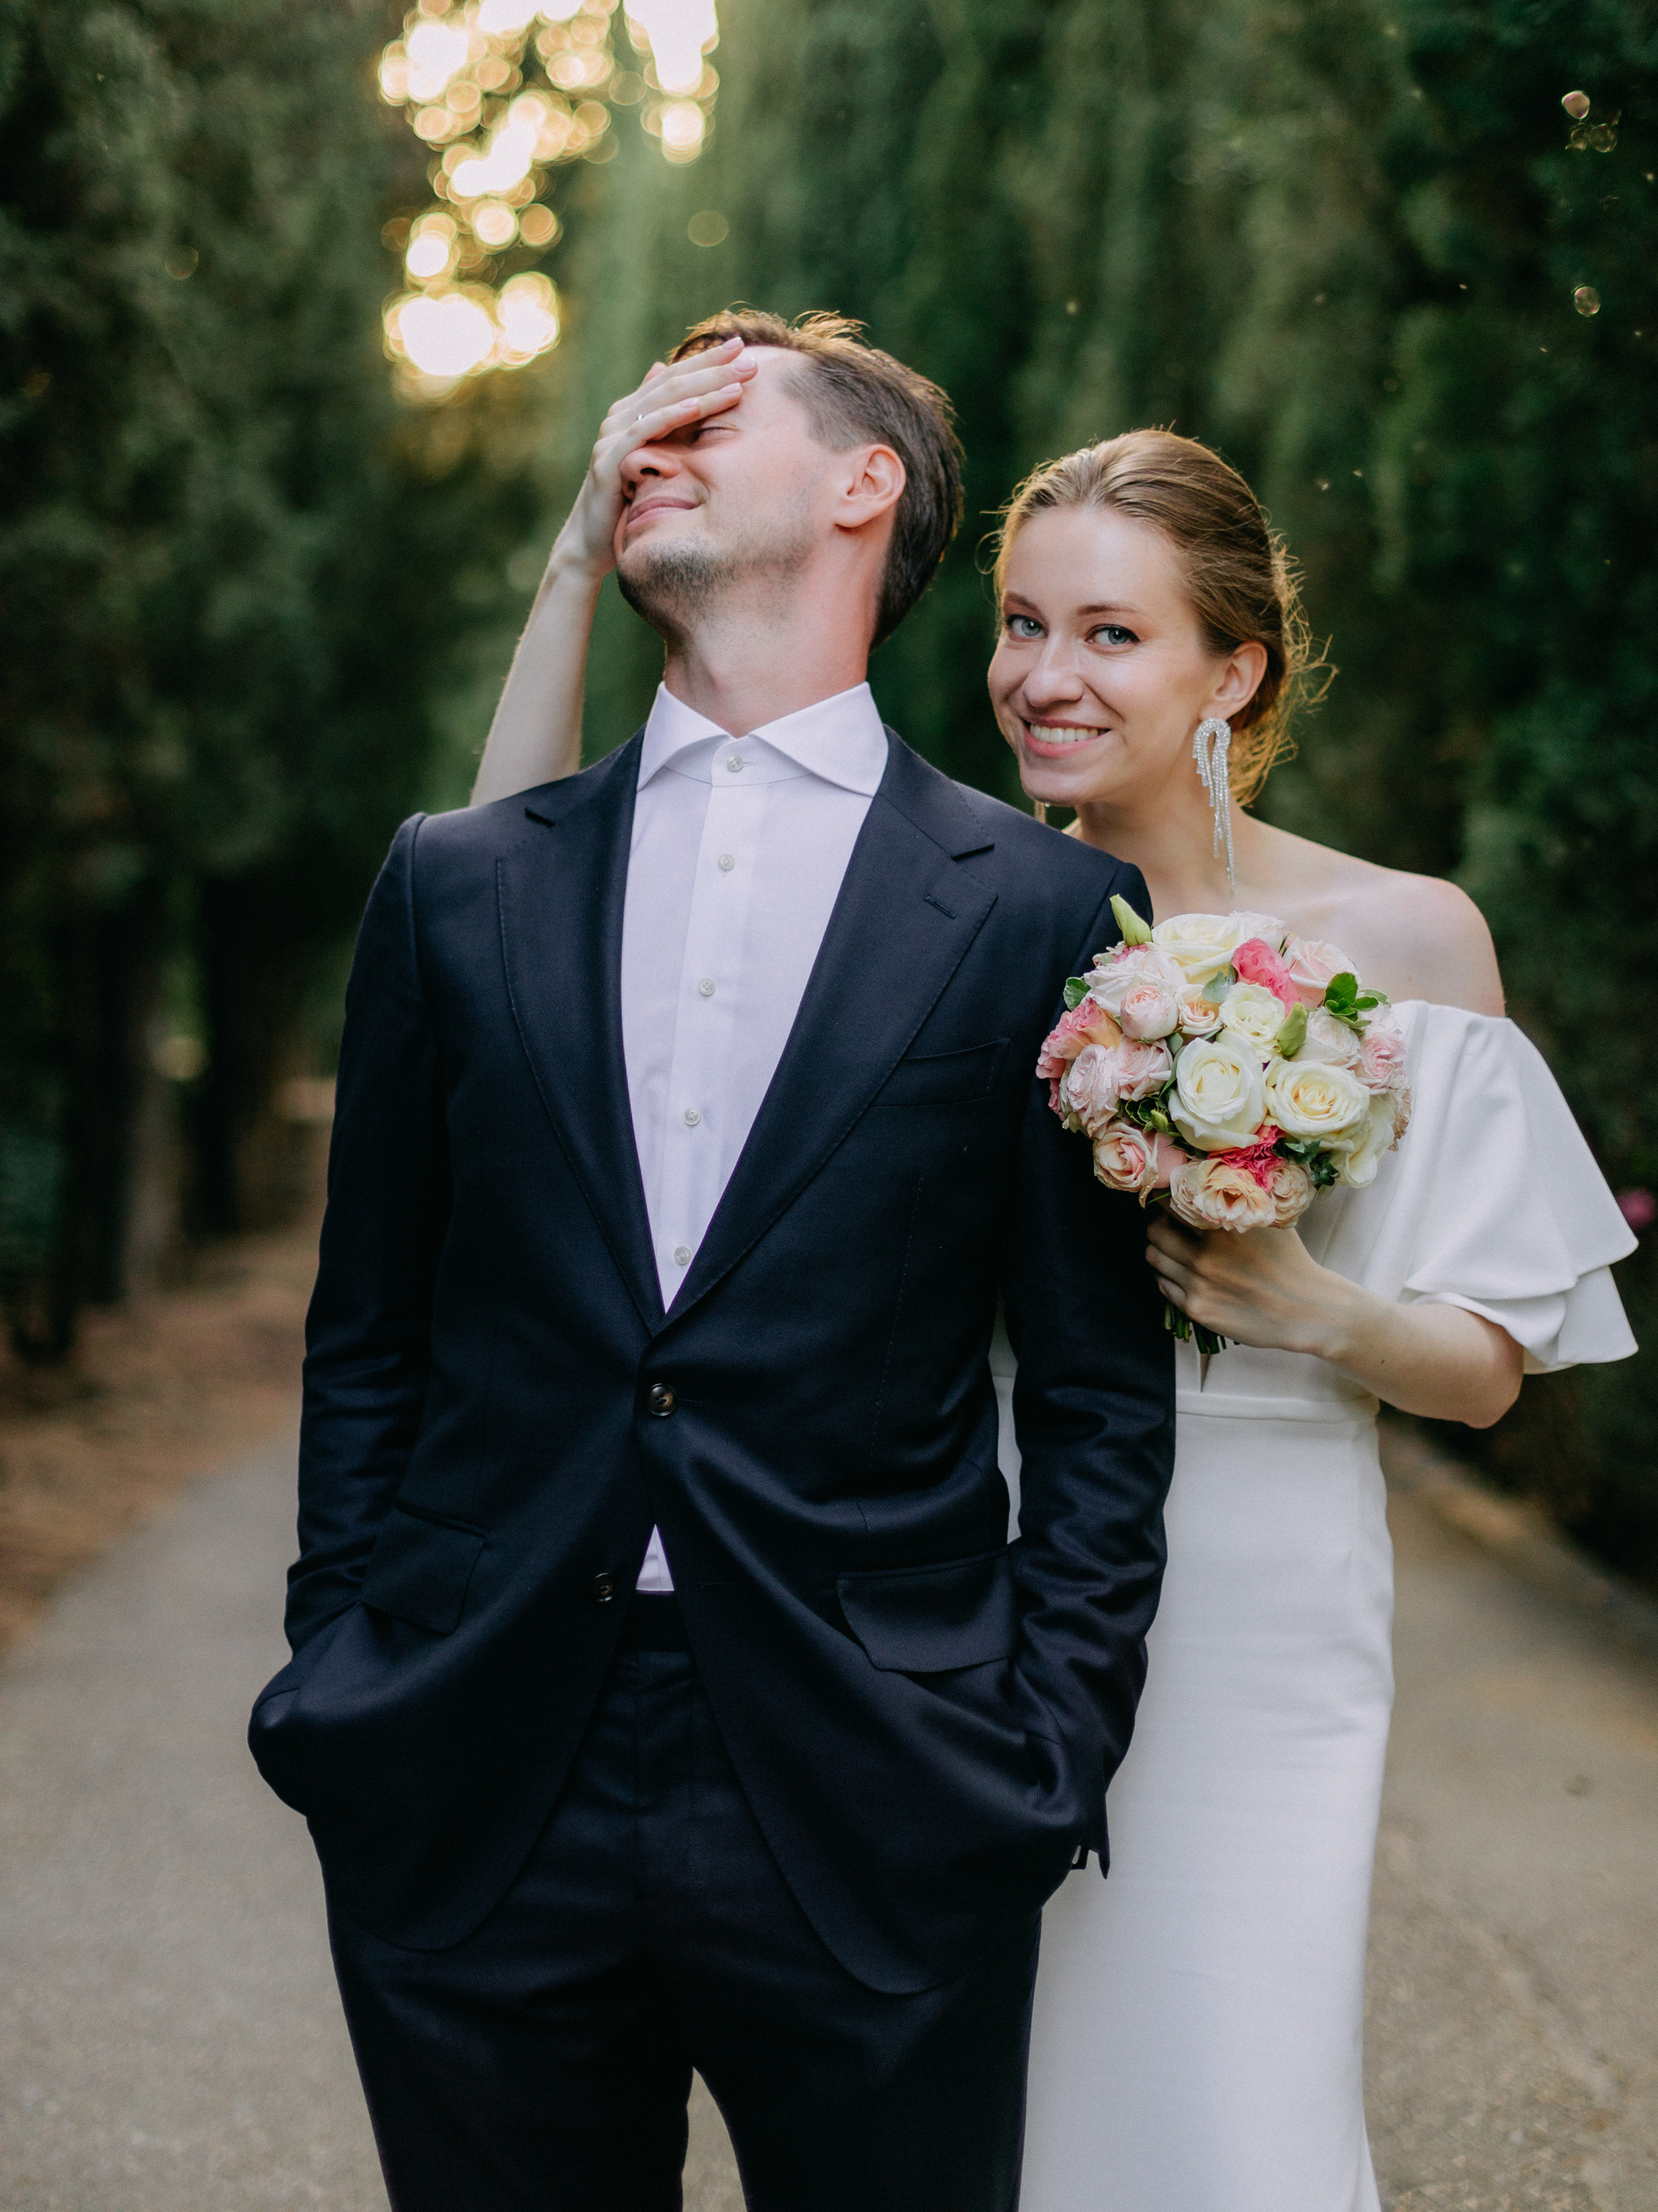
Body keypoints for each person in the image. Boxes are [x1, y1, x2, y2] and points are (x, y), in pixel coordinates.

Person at [474, 387, 1638, 2212]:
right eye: (1023, 622)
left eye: (1112, 632)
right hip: (945, 1592)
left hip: (1261, 1610)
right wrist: (572, 556)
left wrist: (1303, 1305)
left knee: (1226, 2095)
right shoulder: (954, 916)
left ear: (1233, 674)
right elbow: (512, 877)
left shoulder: (1407, 940)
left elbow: (1488, 1370)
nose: (1045, 673)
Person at [249, 309, 1176, 2212]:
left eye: (706, 414)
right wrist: (344, 1680)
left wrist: (1039, 1752)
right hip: (475, 1766)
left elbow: (1096, 1391)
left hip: (874, 1787)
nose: (642, 442)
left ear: (867, 487)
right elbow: (371, 1329)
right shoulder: (456, 881)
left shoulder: (1045, 913)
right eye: (634, 419)